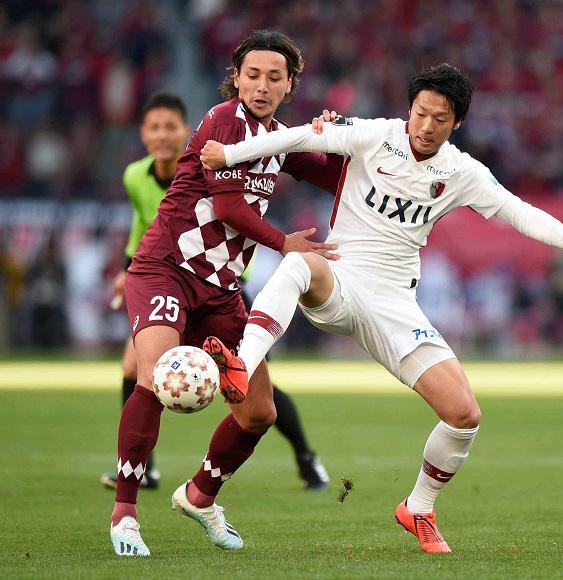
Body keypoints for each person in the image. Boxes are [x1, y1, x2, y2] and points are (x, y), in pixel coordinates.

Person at [198, 63, 563, 554]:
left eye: (439, 118)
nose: (425, 126)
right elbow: (297, 137)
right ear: (409, 108)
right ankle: (242, 364)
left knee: (464, 414)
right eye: (420, 113)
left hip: (395, 305)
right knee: (298, 262)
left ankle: (418, 507)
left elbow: (521, 213)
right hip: (339, 279)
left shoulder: (462, 172)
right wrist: (230, 153)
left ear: (457, 122)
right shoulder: (374, 135)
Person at [109, 30, 343, 557]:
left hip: (221, 291)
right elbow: (228, 207)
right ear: (236, 77)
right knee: (153, 378)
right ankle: (125, 514)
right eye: (252, 75)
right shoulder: (222, 120)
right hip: (167, 267)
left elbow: (333, 179)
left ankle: (199, 496)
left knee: (259, 412)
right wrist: (285, 243)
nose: (261, 86)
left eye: (274, 78)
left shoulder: (279, 139)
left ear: (289, 85)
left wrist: (338, 139)